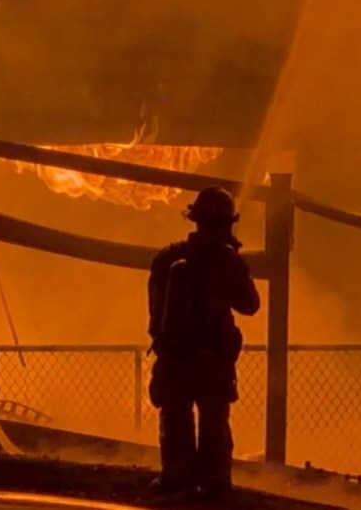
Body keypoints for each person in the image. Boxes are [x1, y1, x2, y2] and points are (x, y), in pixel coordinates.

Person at [147, 186, 261, 497]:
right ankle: (215, 481)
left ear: (195, 219)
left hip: (174, 357)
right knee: (214, 420)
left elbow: (154, 309)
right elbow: (250, 305)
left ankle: (176, 475)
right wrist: (235, 267)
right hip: (213, 358)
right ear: (227, 223)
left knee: (175, 417)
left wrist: (164, 343)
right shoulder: (228, 261)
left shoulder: (167, 257)